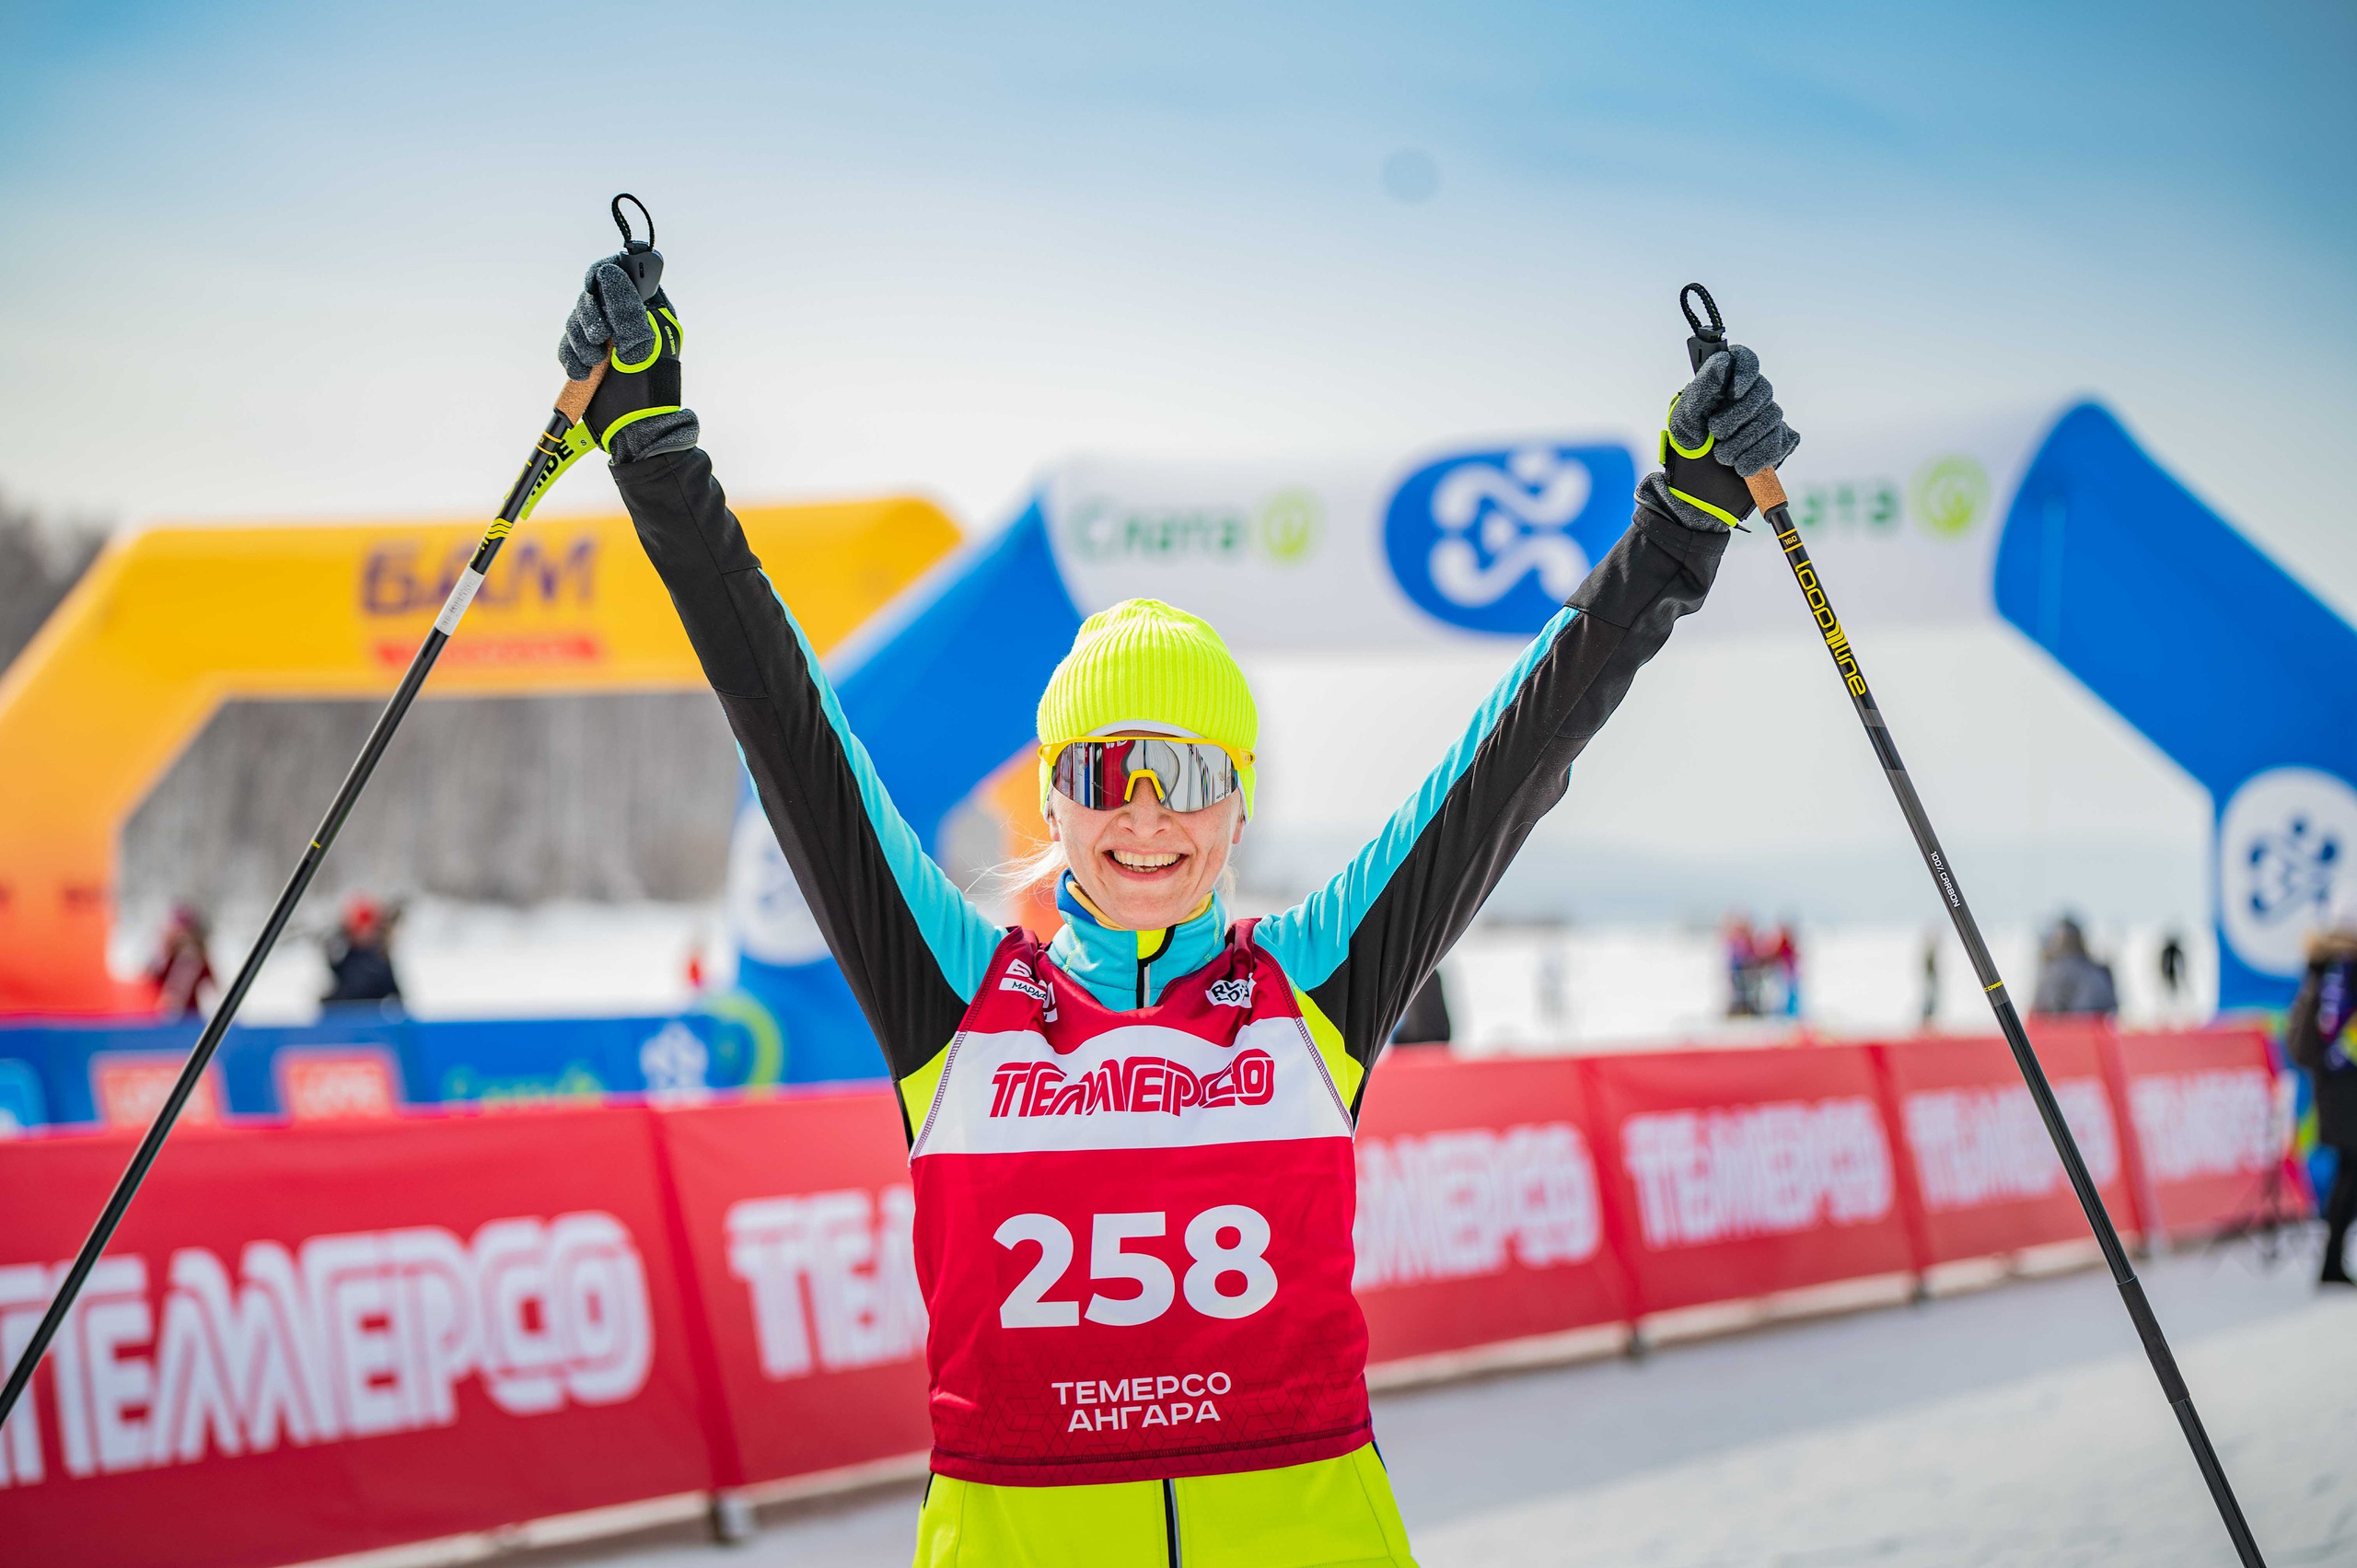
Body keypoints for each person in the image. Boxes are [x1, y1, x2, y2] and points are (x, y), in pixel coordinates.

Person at [562, 247, 1794, 1565]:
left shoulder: (1310, 989)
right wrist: (653, 451)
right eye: (1103, 772)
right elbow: (791, 724)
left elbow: (1514, 754)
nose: (1146, 816)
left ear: (1239, 802)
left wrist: (1680, 523)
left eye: (1190, 773)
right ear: (1055, 799)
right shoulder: (963, 1007)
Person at [2287, 900, 2357, 1285]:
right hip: (2346, 1089)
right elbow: (2342, 1038)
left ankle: (2332, 1261)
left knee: (2350, 1172)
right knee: (2351, 1173)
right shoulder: (2344, 969)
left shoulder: (2323, 967)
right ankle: (2332, 1262)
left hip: (2335, 1089)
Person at [321, 893, 402, 1008]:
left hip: (373, 1017)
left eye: (368, 928)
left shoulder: (380, 959)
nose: (364, 933)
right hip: (346, 1014)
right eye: (359, 929)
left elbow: (396, 996)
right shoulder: (344, 955)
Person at [2030, 913, 2116, 1018]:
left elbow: (2044, 1013)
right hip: (2098, 1029)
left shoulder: (2056, 972)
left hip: (2075, 1029)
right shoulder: (2099, 970)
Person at [146, 902, 215, 1019]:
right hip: (166, 1015)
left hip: (192, 1017)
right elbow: (153, 978)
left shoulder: (198, 960)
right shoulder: (167, 958)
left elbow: (211, 985)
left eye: (186, 932)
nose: (182, 936)